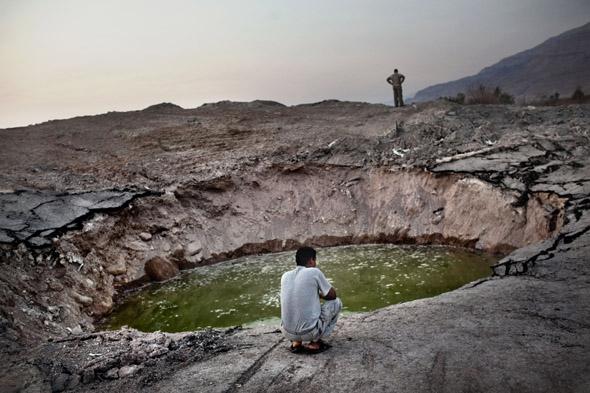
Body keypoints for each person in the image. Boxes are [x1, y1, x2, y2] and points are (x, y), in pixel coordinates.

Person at [280, 246, 342, 354]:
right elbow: (332, 295)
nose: (315, 263)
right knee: (336, 303)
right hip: (309, 332)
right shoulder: (314, 272)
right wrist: (319, 295)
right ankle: (315, 343)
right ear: (311, 260)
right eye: (315, 260)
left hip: (286, 332)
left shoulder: (285, 276)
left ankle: (296, 342)